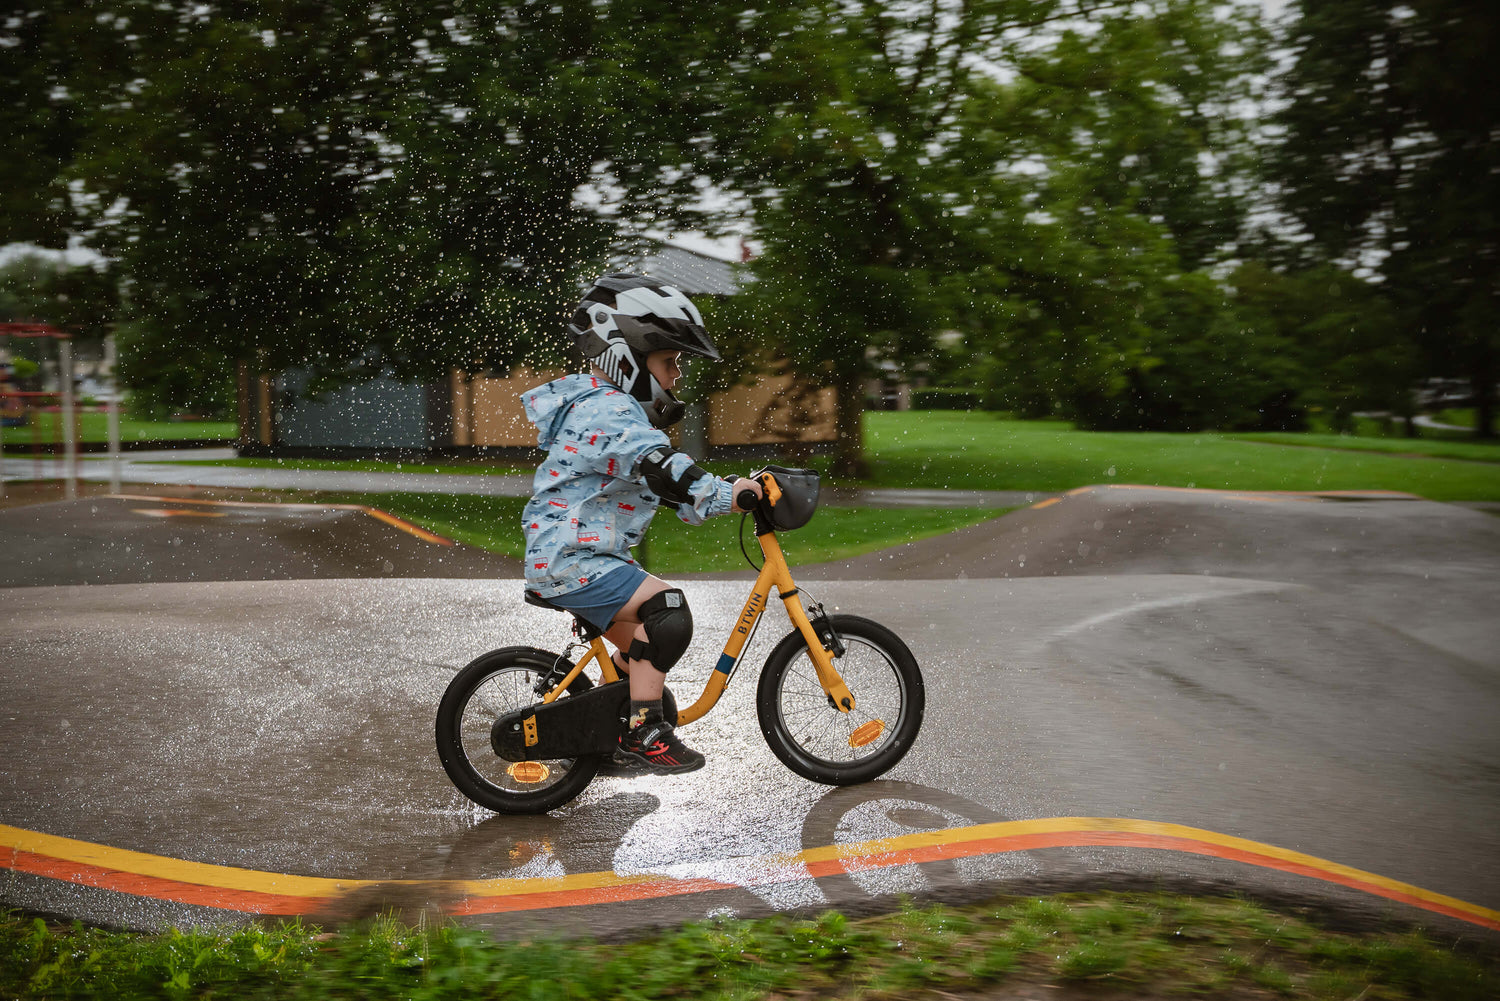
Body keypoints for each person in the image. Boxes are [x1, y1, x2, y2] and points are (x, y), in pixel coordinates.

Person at [520, 273, 762, 775]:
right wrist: (719, 492)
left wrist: (722, 495)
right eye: (669, 362)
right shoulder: (606, 411)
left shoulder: (611, 409)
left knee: (651, 652)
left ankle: (611, 732)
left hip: (581, 555)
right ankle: (644, 734)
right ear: (626, 357)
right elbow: (656, 464)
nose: (676, 376)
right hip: (574, 558)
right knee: (667, 612)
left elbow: (656, 481)